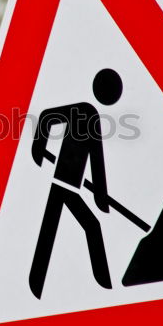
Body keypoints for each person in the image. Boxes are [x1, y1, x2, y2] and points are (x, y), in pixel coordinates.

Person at [29, 68, 122, 298]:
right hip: (61, 184)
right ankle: (106, 288)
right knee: (87, 227)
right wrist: (38, 148)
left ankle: (35, 285)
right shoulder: (84, 110)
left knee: (55, 230)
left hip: (70, 186)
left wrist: (101, 195)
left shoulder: (92, 116)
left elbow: (96, 160)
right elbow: (48, 118)